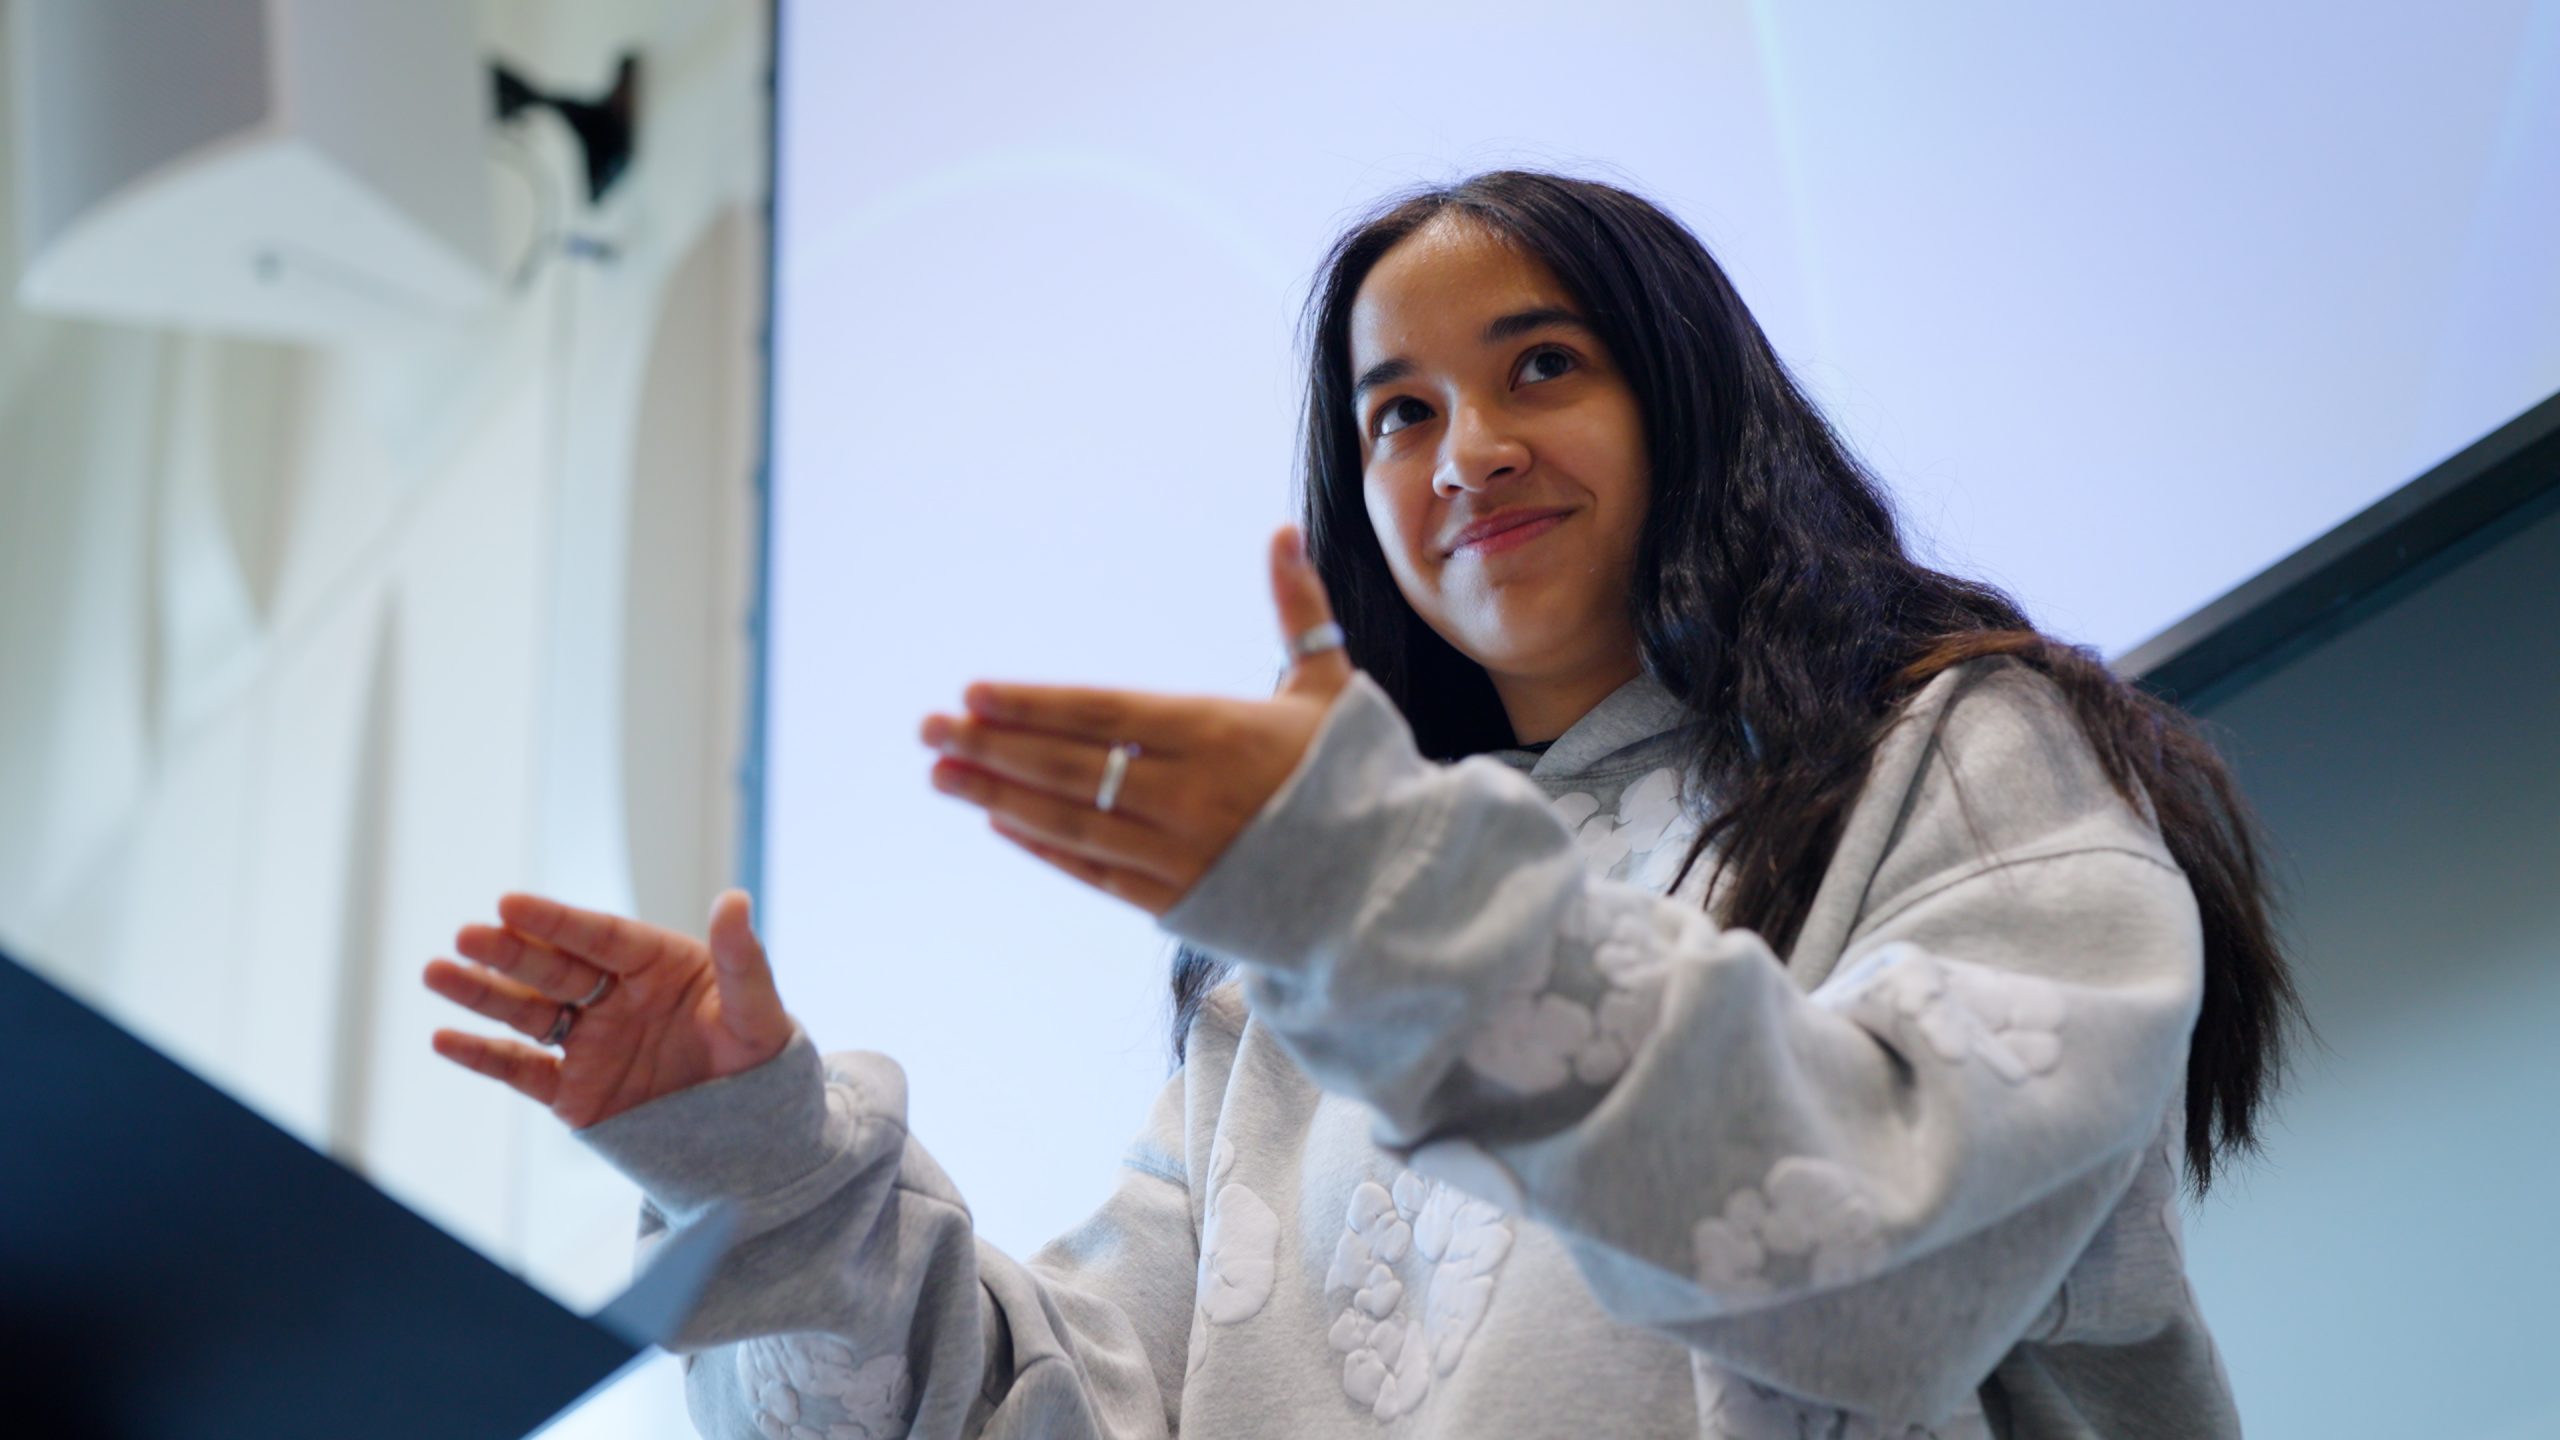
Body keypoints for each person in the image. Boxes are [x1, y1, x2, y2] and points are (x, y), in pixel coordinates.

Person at [423, 170, 2299, 1438]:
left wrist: (1378, 907)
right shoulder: (1293, 982)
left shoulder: (1956, 750)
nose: (1465, 452)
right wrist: (770, 1171)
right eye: (1398, 411)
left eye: (1539, 365)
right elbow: (1069, 1409)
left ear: (1693, 400)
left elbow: (1883, 1265)